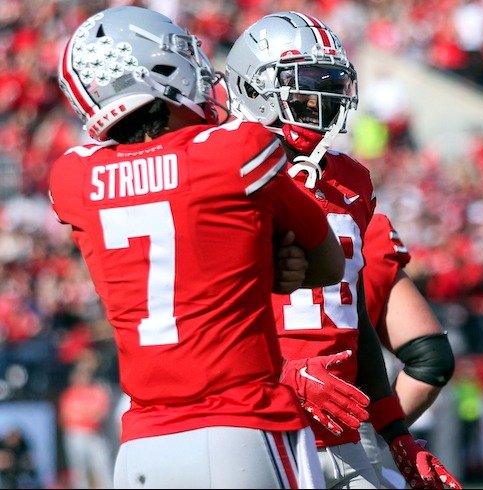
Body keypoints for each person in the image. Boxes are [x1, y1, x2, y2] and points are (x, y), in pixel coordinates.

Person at [51, 6, 345, 488]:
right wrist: (265, 264)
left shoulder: (74, 179)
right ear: (159, 74)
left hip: (141, 447)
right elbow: (327, 261)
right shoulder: (235, 149)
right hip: (241, 426)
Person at [226, 12, 459, 489]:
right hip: (254, 422)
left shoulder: (350, 180)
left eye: (331, 83)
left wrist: (397, 433)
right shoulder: (223, 171)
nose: (322, 100)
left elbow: (354, 323)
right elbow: (197, 312)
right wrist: (284, 373)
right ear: (254, 89)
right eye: (306, 85)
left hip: (343, 426)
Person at [357, 213, 457, 488]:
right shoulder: (367, 231)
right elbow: (431, 359)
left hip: (255, 416)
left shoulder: (256, 214)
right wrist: (382, 432)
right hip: (348, 433)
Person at [59, 354, 114, 489]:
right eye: (79, 373)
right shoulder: (69, 393)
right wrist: (87, 414)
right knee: (78, 472)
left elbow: (100, 415)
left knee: (103, 467)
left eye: (85, 373)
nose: (82, 376)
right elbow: (66, 417)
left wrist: (82, 414)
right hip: (75, 434)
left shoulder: (97, 391)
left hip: (94, 434)